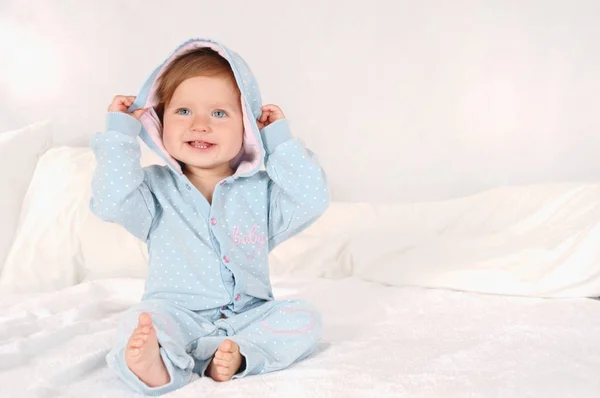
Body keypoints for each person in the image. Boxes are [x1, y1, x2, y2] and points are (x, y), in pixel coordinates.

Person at [90, 38, 330, 395]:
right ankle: (160, 366)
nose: (200, 124)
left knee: (305, 317)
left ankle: (239, 356)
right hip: (178, 314)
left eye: (219, 113)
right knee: (140, 322)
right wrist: (120, 135)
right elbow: (110, 201)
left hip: (249, 317)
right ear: (159, 122)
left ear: (247, 127)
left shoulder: (261, 192)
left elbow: (311, 198)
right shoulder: (153, 190)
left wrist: (277, 140)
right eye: (183, 111)